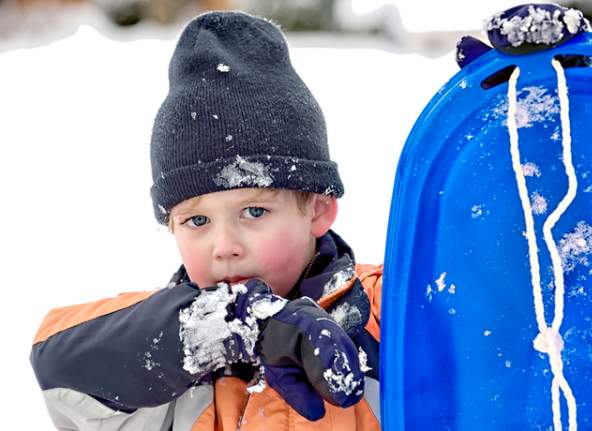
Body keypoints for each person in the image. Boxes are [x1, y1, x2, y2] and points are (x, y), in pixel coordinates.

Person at [30, 11, 382, 431]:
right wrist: (233, 325)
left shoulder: (385, 313)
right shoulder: (163, 361)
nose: (224, 245)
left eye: (254, 211)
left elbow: (473, 293)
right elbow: (55, 359)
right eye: (197, 220)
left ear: (318, 209)